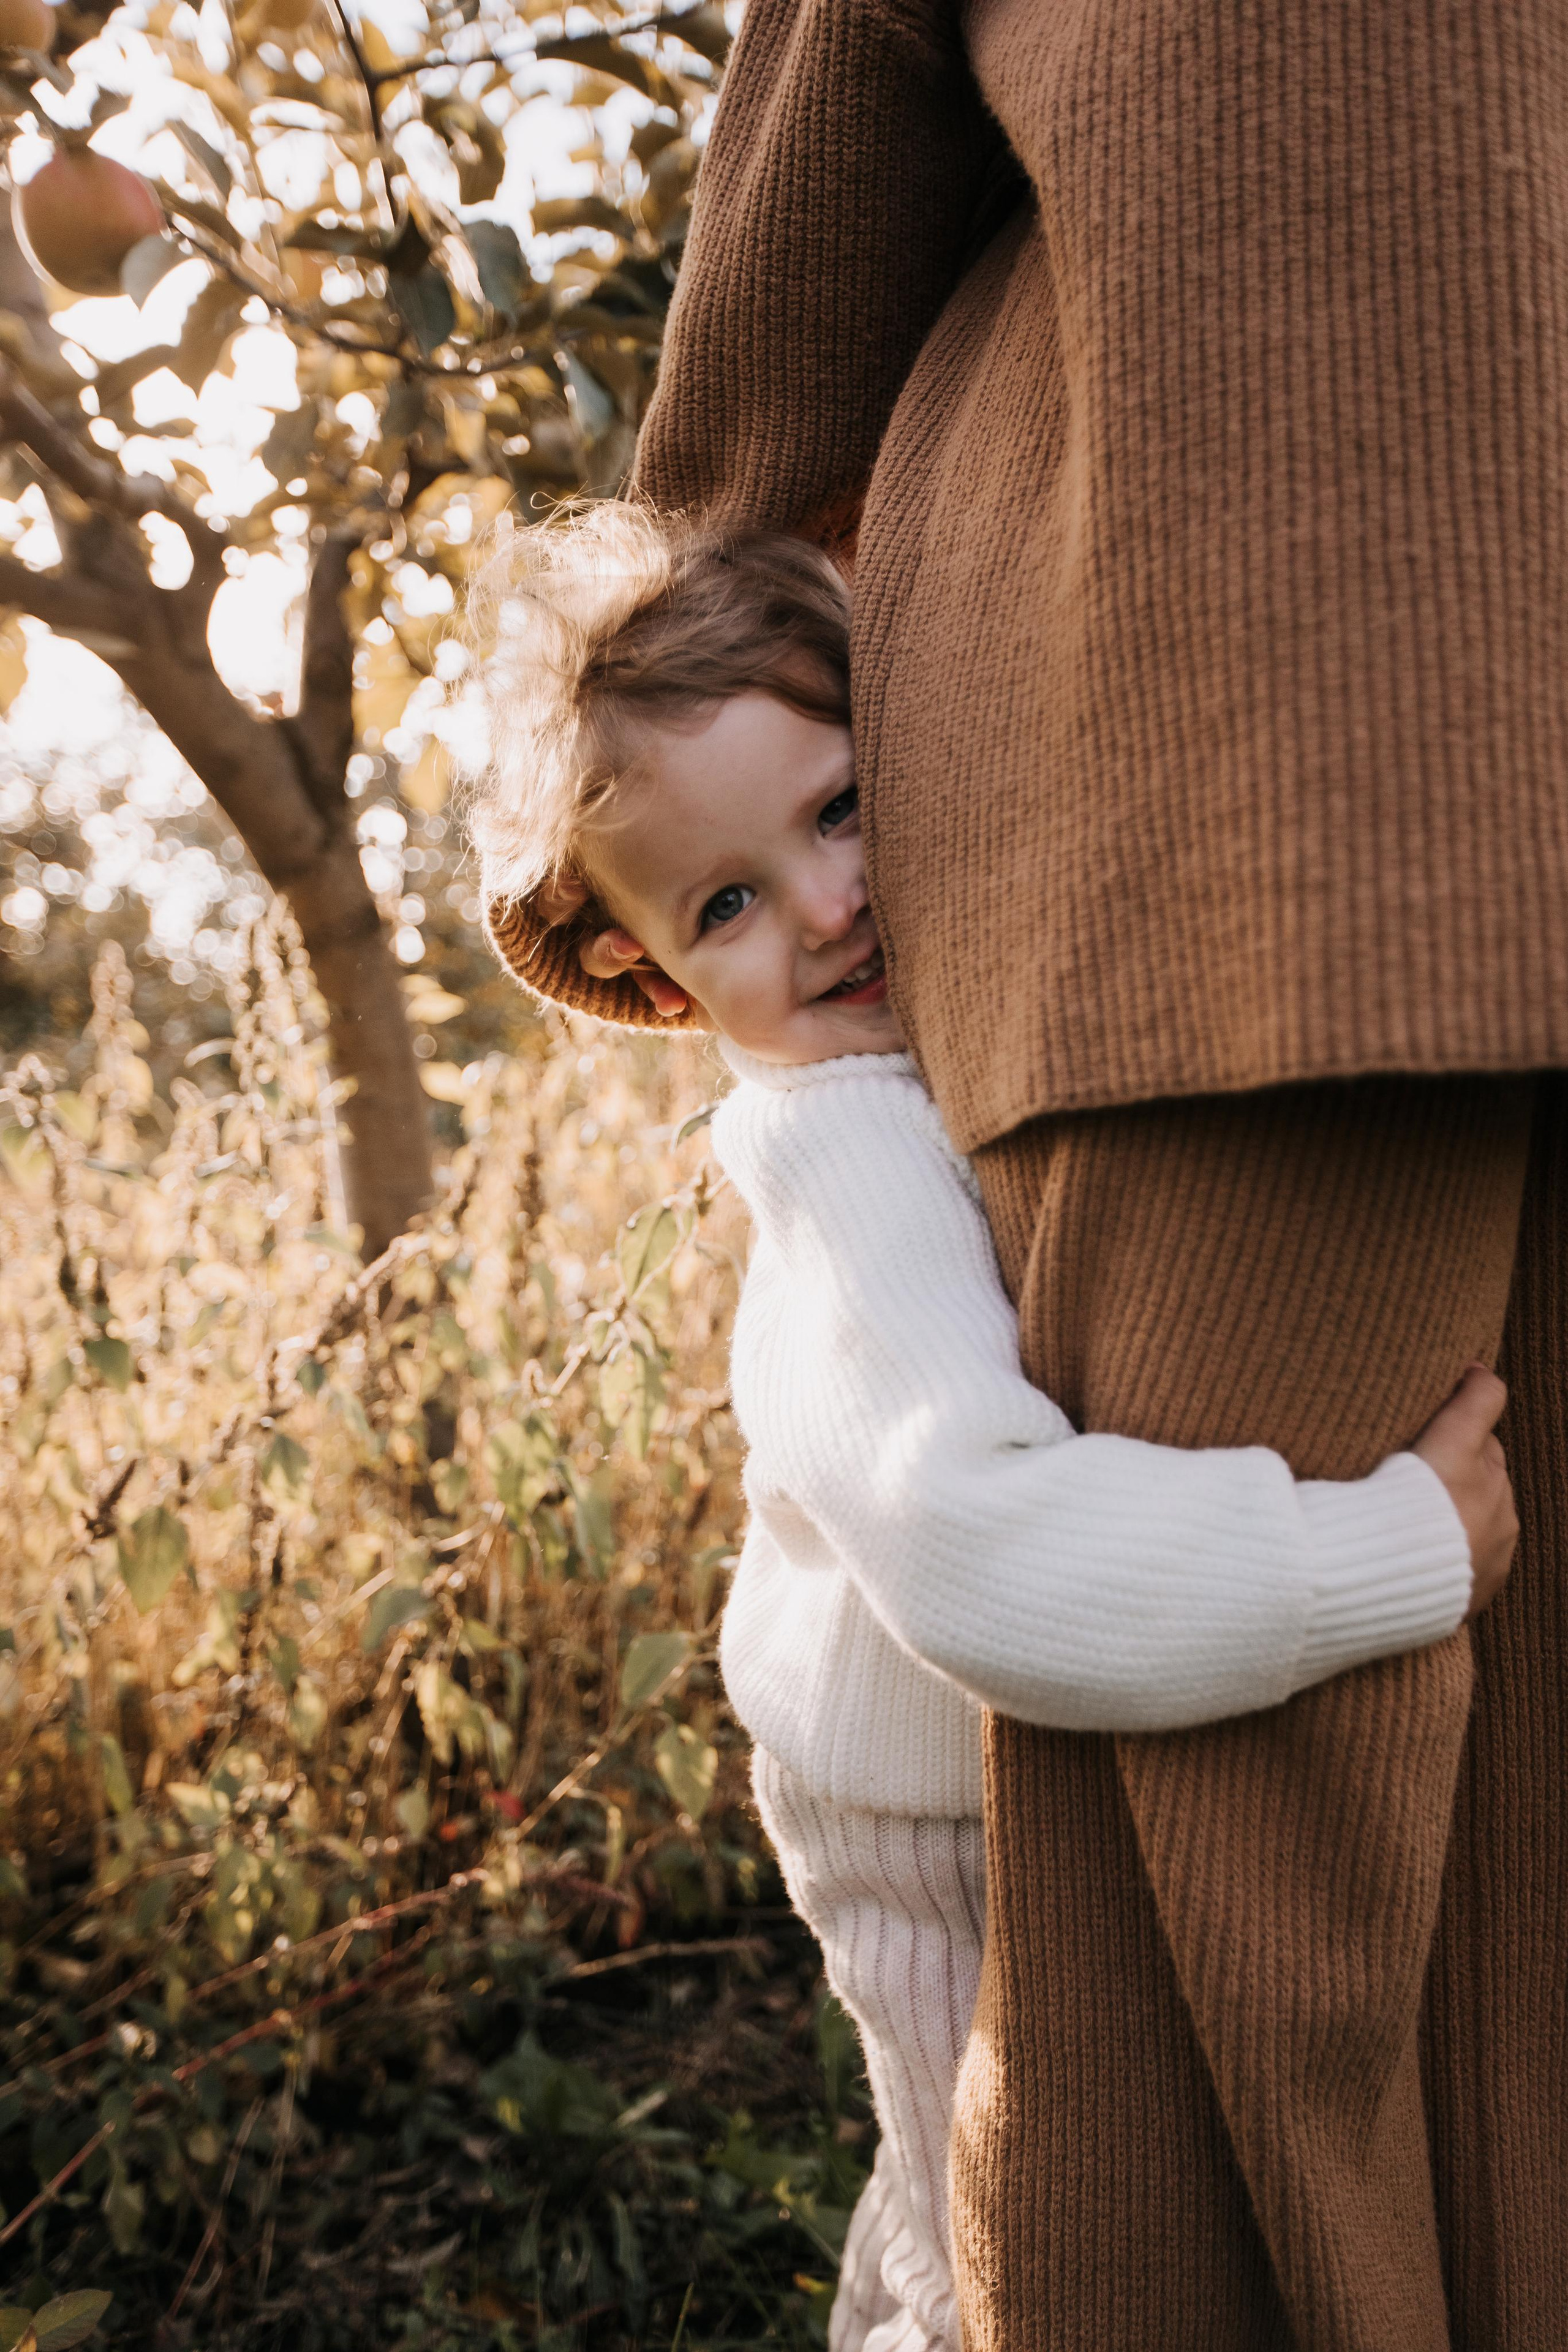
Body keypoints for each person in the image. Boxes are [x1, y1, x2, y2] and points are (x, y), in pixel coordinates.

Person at [492, 12, 1568, 2346]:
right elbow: (989, 1560)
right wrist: (1390, 1551)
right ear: (648, 974)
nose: (824, 911)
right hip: (922, 1839)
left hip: (957, 1782)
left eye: (842, 810)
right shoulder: (847, 1169)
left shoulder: (898, 1069)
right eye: (727, 904)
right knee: (997, 2220)